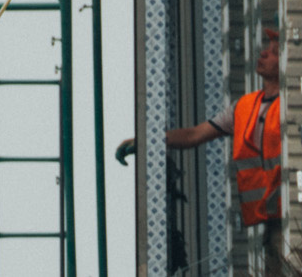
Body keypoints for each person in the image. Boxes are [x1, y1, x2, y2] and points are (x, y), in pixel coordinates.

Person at [114, 28, 287, 273]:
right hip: (272, 218)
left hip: (293, 207)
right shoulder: (244, 107)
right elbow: (194, 135)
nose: (264, 54)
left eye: (274, 52)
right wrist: (145, 141)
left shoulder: (293, 103)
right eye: (266, 48)